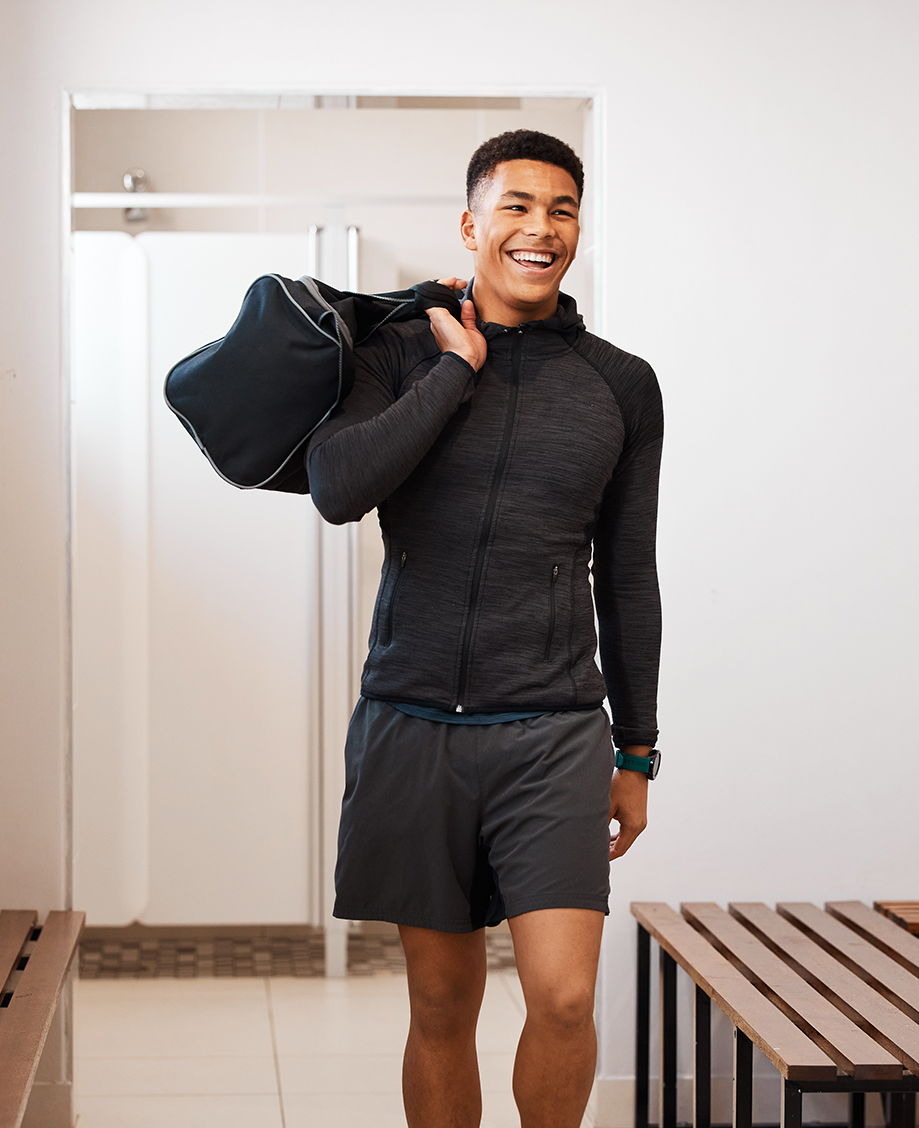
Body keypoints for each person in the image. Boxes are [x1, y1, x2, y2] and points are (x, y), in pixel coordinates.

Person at [305, 129, 663, 1128]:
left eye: (562, 210)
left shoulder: (620, 384)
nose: (540, 228)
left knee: (565, 997)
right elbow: (337, 487)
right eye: (516, 206)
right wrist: (454, 371)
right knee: (440, 1003)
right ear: (471, 226)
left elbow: (627, 575)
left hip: (552, 729)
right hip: (414, 721)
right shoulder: (395, 353)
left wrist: (637, 751)